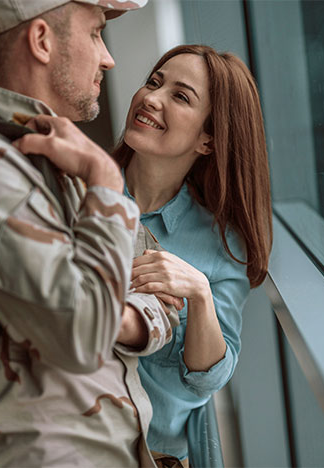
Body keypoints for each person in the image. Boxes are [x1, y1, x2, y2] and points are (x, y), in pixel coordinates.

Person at [0, 1, 178, 466]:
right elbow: (83, 336)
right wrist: (106, 187)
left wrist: (121, 317)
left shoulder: (60, 159)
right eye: (94, 33)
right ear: (42, 41)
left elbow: (166, 296)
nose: (108, 58)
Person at [118, 44, 272, 465]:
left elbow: (208, 381)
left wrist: (200, 294)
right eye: (154, 82)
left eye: (180, 96)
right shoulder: (78, 195)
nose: (151, 98)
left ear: (208, 139)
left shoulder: (222, 245)